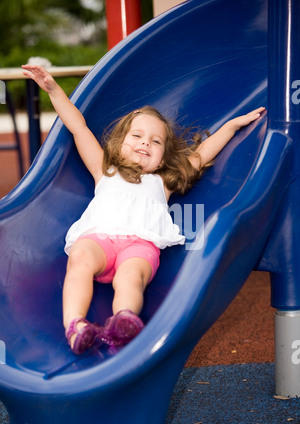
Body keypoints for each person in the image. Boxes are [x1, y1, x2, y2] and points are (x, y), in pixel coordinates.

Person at [22, 64, 265, 355]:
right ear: (120, 143)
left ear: (163, 158)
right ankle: (76, 325)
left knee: (131, 276)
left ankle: (123, 321)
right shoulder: (104, 169)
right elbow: (78, 127)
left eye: (155, 141)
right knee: (80, 258)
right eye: (137, 136)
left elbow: (200, 155)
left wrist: (230, 127)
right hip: (99, 240)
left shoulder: (163, 182)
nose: (145, 143)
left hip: (139, 246)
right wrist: (53, 89)